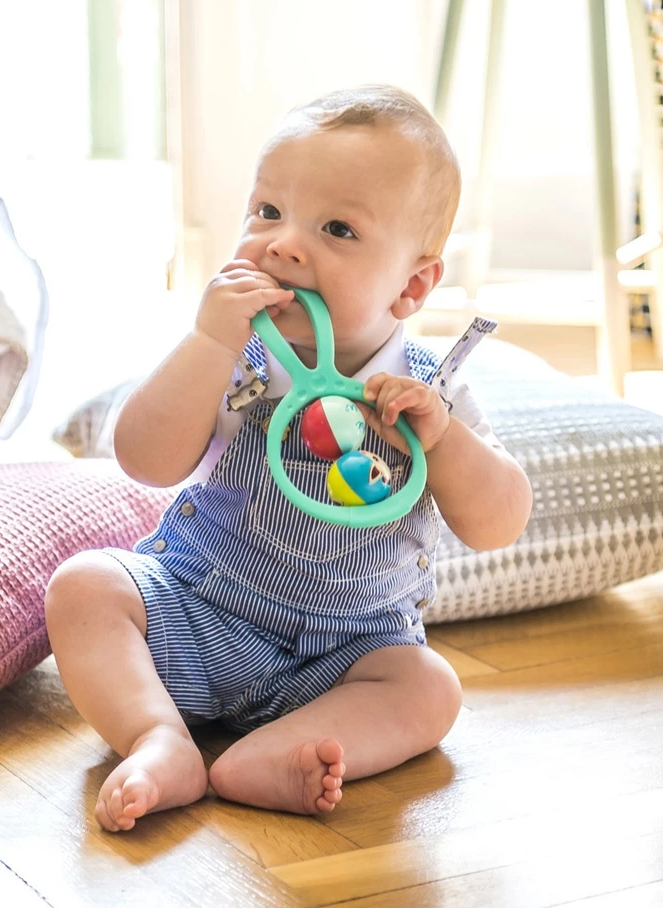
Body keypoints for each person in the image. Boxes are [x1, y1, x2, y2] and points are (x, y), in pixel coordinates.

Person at [45, 85, 532, 832]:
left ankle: (274, 754)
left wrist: (444, 441)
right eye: (268, 211)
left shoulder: (429, 391)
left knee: (430, 688)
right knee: (84, 588)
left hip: (350, 654)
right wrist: (208, 342)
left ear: (411, 285)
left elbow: (501, 521)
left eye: (337, 229)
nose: (284, 243)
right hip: (203, 611)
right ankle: (157, 736)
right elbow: (144, 458)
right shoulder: (235, 357)